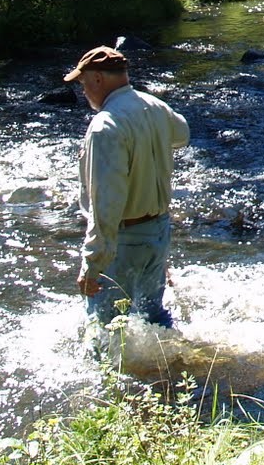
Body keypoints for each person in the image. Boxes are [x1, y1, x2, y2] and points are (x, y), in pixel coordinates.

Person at [64, 45, 189, 327]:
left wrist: (92, 264)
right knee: (154, 319)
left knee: (103, 326)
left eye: (83, 83)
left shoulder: (104, 126)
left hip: (123, 240)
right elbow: (182, 134)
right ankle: (174, 357)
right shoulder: (155, 106)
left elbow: (106, 204)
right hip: (158, 233)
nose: (83, 91)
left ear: (98, 79)